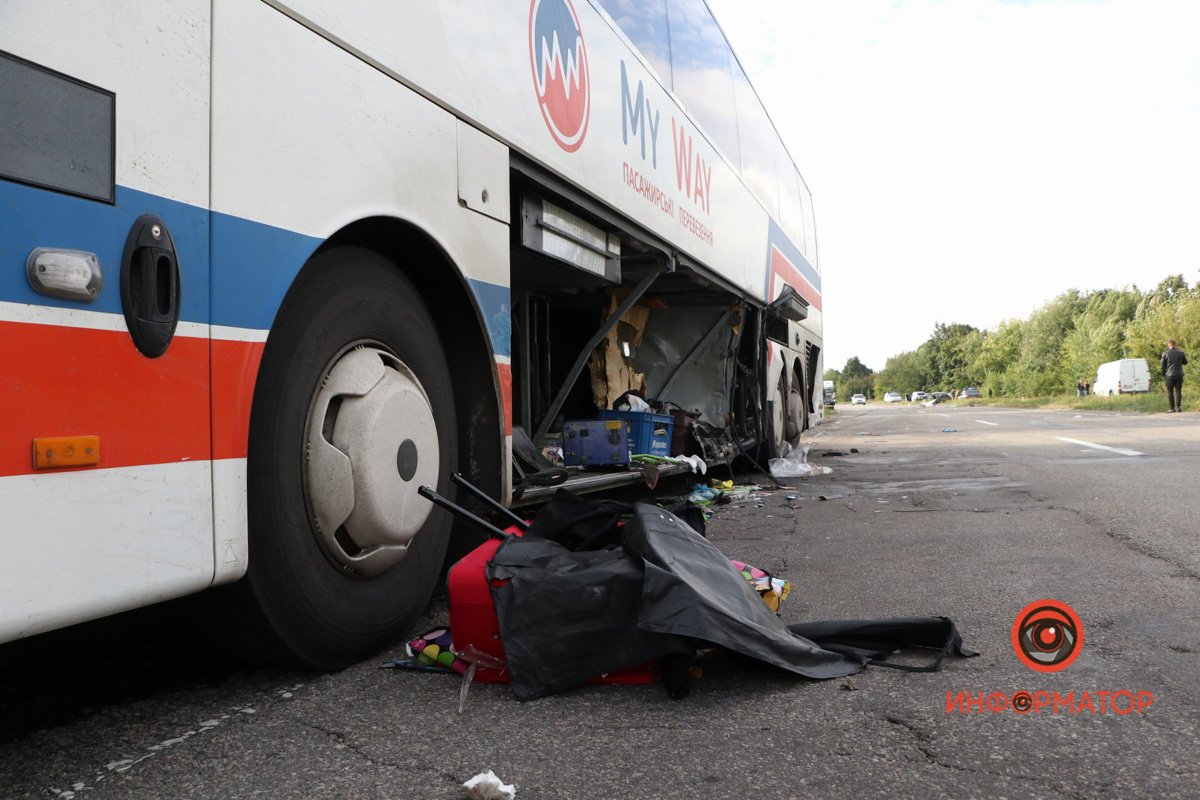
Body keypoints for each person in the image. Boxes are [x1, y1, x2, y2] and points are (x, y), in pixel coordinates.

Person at [1160, 339, 1188, 412]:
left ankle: (1172, 408)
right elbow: (1185, 362)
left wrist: (1164, 374)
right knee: (1178, 391)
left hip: (1169, 376)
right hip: (1179, 375)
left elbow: (1162, 365)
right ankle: (1178, 407)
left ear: (1168, 345)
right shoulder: (1181, 353)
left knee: (1170, 392)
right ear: (1175, 345)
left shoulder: (1165, 353)